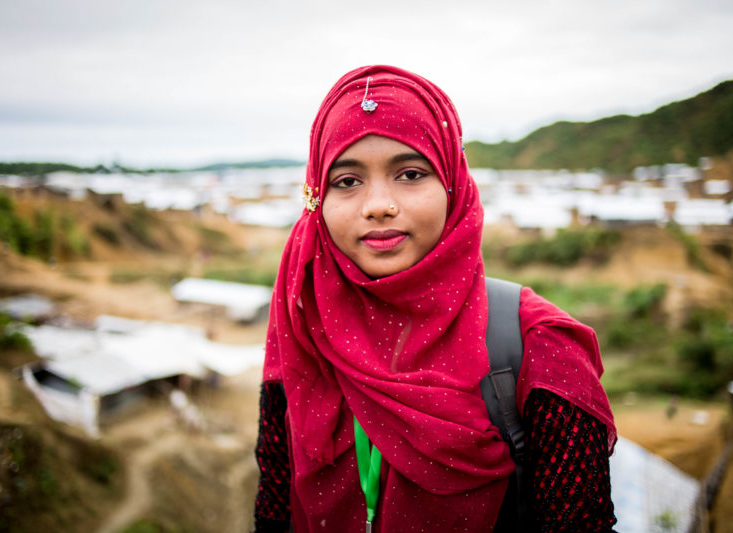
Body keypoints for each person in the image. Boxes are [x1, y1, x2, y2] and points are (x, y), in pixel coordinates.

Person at [253, 65, 617, 532]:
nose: (378, 204)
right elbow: (273, 511)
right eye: (346, 181)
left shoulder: (540, 347)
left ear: (453, 182)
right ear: (316, 197)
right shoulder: (304, 329)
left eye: (409, 173)